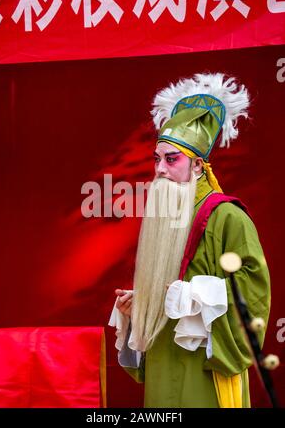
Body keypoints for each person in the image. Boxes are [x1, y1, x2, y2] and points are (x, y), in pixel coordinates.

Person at [108, 72, 271, 408]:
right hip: (161, 357)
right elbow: (169, 291)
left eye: (171, 159)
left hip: (204, 364)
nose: (160, 170)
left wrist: (192, 297)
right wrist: (141, 305)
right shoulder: (164, 214)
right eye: (157, 159)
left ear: (198, 165)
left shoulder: (228, 217)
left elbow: (253, 293)